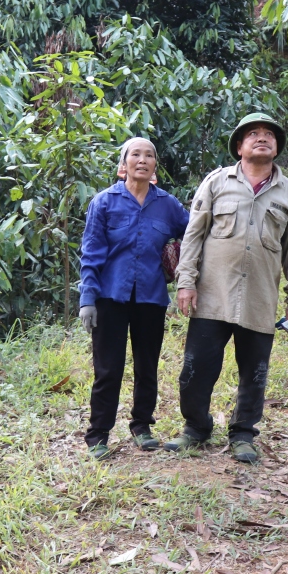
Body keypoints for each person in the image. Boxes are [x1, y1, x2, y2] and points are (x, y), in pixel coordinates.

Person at [164, 113, 288, 463]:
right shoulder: (216, 183)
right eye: (253, 134)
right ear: (240, 147)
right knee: (196, 369)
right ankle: (195, 429)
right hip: (212, 295)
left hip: (260, 297)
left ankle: (243, 435)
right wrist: (186, 283)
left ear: (277, 148)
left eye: (269, 135)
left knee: (255, 373)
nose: (263, 138)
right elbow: (193, 235)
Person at [78, 137, 190, 460]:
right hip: (109, 298)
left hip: (151, 298)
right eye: (135, 154)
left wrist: (183, 263)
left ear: (155, 167)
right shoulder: (103, 203)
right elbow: (91, 252)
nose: (143, 159)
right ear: (123, 165)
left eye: (150, 155)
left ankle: (142, 425)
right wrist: (87, 298)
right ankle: (98, 434)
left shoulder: (168, 205)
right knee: (108, 369)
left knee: (147, 366)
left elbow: (193, 233)